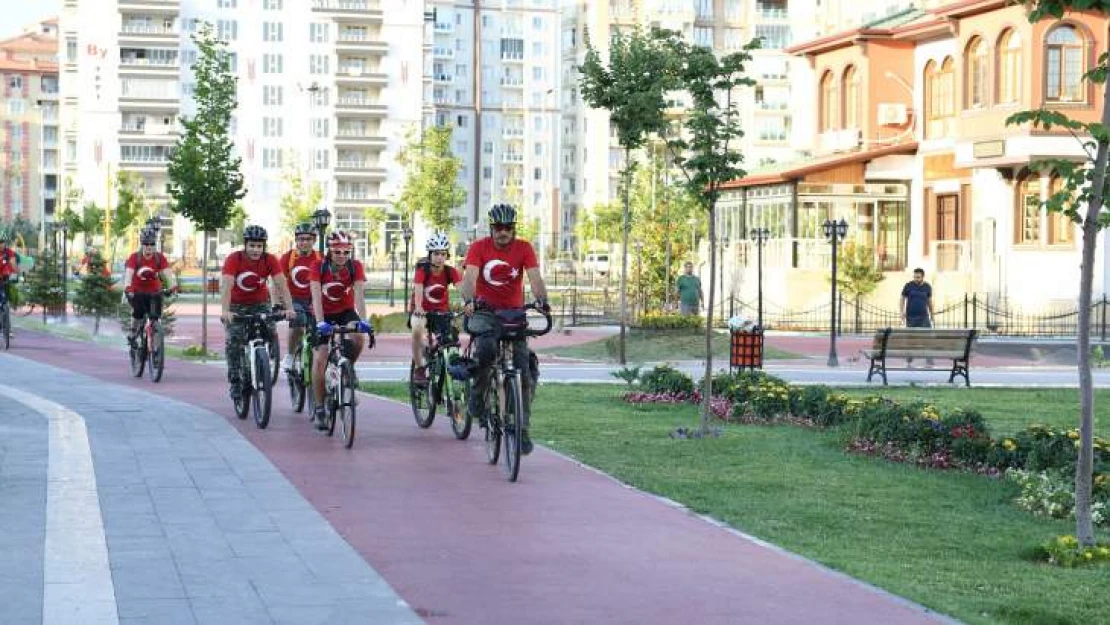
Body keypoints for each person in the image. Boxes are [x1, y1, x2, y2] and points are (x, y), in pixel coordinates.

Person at [459, 203, 549, 455]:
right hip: (485, 312)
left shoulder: (524, 248)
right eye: (498, 228)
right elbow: (469, 279)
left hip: (513, 314)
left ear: (514, 229)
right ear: (491, 228)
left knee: (524, 373)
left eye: (508, 228)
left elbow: (534, 278)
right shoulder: (479, 247)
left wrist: (542, 300)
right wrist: (468, 300)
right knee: (486, 350)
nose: (503, 232)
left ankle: (521, 430)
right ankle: (477, 397)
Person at [220, 225, 296, 400]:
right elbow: (227, 286)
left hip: (260, 303)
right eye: (252, 245)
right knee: (234, 341)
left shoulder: (269, 260)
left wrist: (289, 308)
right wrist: (225, 311)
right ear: (245, 245)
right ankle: (235, 381)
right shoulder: (234, 259)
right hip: (236, 305)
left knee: (269, 328)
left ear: (264, 247)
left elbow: (281, 284)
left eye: (259, 246)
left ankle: (265, 356)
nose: (255, 250)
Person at [310, 230, 373, 430]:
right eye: (338, 252)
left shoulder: (355, 267)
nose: (342, 256)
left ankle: (348, 369)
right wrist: (320, 323)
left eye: (346, 252)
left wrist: (363, 320)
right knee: (321, 358)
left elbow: (360, 295)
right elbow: (316, 298)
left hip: (345, 311)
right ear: (330, 251)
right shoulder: (318, 267)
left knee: (358, 337)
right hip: (322, 314)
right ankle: (319, 408)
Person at [410, 231, 462, 385]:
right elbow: (418, 289)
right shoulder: (422, 271)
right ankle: (419, 369)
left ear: (447, 255)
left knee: (451, 340)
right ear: (430, 255)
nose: (440, 258)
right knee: (417, 330)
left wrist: (468, 302)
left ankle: (444, 371)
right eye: (436, 254)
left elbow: (461, 288)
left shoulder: (450, 271)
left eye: (443, 254)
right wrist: (419, 307)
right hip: (421, 311)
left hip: (441, 312)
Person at [122, 228, 178, 346]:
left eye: (152, 244)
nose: (149, 246)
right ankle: (133, 331)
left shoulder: (159, 258)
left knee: (155, 316)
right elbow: (129, 274)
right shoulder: (135, 258)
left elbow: (167, 274)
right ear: (141, 244)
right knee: (139, 312)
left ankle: (156, 342)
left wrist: (172, 286)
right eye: (145, 244)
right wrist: (128, 287)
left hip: (154, 291)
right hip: (137, 291)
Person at [279, 222, 323, 371]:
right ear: (296, 240)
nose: (304, 242)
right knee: (298, 321)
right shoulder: (288, 258)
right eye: (301, 239)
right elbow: (278, 281)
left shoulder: (320, 258)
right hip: (294, 300)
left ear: (314, 241)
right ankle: (290, 355)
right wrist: (282, 303)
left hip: (314, 300)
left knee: (320, 331)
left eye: (308, 239)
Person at [900, 267, 934, 367]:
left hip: (924, 317)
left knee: (928, 338)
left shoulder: (927, 287)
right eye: (915, 277)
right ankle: (909, 358)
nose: (916, 279)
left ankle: (929, 359)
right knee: (911, 338)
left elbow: (929, 302)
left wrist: (932, 314)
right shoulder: (908, 286)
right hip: (911, 317)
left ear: (923, 277)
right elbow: (902, 299)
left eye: (918, 277)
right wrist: (901, 312)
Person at [0, 232, 22, 309]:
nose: (1, 245)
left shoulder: (9, 252)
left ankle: (7, 304)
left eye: (2, 242)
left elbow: (13, 264)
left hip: (6, 276)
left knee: (7, 290)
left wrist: (17, 274)